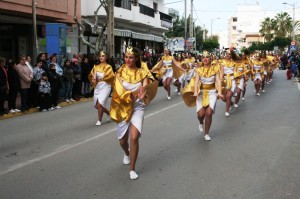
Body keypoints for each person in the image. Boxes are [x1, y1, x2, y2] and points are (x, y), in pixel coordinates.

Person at [110, 46, 158, 180]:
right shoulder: (119, 72)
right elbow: (118, 91)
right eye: (126, 57)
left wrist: (144, 92)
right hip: (123, 107)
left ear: (136, 58)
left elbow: (146, 88)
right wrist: (129, 96)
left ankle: (132, 169)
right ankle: (126, 152)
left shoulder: (142, 73)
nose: (128, 59)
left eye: (131, 57)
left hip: (138, 107)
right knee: (122, 140)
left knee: (134, 137)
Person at [182, 51, 223, 141]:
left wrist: (219, 92)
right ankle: (201, 122)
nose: (205, 58)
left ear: (211, 59)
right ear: (201, 59)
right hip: (201, 93)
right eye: (203, 57)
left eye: (207, 57)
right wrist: (196, 92)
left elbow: (218, 81)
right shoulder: (198, 70)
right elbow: (196, 82)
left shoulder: (215, 69)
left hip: (212, 93)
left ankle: (207, 133)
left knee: (208, 113)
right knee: (201, 114)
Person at [89, 51, 114, 126]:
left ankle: (99, 120)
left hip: (106, 86)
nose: (101, 57)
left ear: (106, 57)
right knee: (97, 106)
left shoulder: (108, 67)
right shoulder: (95, 67)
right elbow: (92, 76)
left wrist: (103, 78)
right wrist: (93, 79)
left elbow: (110, 76)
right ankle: (109, 113)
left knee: (100, 104)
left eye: (103, 56)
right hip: (98, 86)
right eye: (100, 56)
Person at [220, 50, 236, 117]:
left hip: (232, 80)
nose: (227, 55)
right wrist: (220, 80)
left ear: (231, 55)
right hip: (225, 81)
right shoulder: (222, 63)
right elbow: (221, 73)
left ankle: (227, 111)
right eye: (226, 54)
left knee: (228, 96)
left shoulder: (234, 63)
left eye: (229, 54)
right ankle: (231, 103)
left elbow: (235, 73)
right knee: (223, 98)